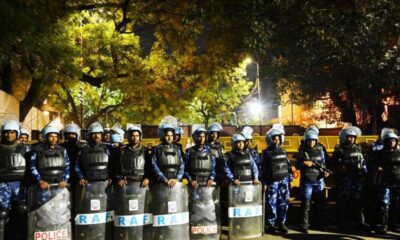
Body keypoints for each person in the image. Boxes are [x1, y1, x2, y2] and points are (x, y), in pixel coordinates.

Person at [331, 126, 368, 231]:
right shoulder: (339, 149)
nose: (351, 139)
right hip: (345, 180)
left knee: (358, 201)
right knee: (344, 202)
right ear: (344, 137)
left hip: (357, 179)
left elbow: (362, 162)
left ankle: (360, 222)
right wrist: (339, 167)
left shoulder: (358, 148)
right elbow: (333, 163)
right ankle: (342, 224)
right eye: (349, 137)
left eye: (353, 137)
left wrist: (364, 173)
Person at [296, 127, 330, 233]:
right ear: (306, 140)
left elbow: (324, 163)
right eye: (310, 140)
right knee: (306, 203)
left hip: (319, 180)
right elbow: (297, 165)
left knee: (320, 203)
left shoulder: (320, 150)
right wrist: (304, 163)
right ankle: (304, 224)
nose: (312, 142)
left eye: (314, 140)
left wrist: (326, 172)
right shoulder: (302, 151)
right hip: (307, 181)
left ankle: (319, 224)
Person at [261, 124, 292, 233]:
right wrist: (264, 182)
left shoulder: (283, 151)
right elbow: (263, 169)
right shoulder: (265, 153)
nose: (276, 141)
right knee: (271, 203)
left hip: (284, 180)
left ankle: (281, 223)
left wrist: (290, 179)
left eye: (278, 139)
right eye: (274, 139)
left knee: (283, 202)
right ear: (270, 140)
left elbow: (288, 166)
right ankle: (271, 224)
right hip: (272, 181)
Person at [0, 119, 28, 239]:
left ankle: (23, 235)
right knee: (2, 213)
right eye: (6, 132)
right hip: (2, 184)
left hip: (20, 184)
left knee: (22, 210)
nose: (9, 135)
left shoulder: (26, 148)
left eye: (12, 132)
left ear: (16, 133)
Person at [375, 129, 400, 234]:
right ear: (385, 142)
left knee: (396, 204)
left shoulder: (399, 153)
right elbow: (372, 164)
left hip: (398, 182)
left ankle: (393, 225)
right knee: (384, 204)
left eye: (394, 140)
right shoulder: (379, 153)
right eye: (389, 140)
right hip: (385, 182)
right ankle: (384, 225)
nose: (392, 142)